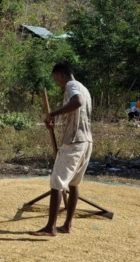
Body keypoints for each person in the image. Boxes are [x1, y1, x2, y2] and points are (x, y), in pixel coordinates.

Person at [31, 62, 93, 237]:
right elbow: (77, 111)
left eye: (55, 79)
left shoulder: (71, 85)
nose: (57, 83)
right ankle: (67, 225)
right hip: (86, 141)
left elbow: (77, 102)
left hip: (74, 142)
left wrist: (53, 114)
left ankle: (50, 228)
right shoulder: (85, 89)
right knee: (73, 184)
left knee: (57, 184)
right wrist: (55, 119)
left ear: (60, 74)